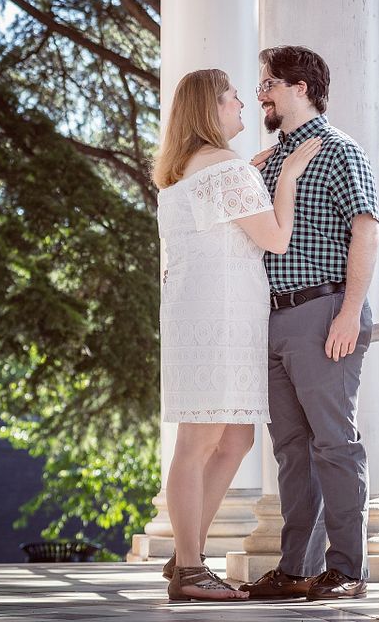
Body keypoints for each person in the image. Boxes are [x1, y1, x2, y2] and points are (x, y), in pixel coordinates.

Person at [153, 68, 320, 603]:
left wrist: (248, 175)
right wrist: (288, 174)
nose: (242, 106)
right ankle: (188, 567)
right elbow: (274, 239)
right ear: (209, 110)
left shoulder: (183, 173)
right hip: (220, 318)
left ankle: (188, 558)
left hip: (205, 315)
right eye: (231, 99)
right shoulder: (225, 169)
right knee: (201, 441)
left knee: (235, 438)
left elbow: (219, 225)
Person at [240, 45, 379, 602]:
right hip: (272, 319)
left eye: (269, 83)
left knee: (333, 445)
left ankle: (348, 570)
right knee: (291, 450)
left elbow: (366, 232)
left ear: (300, 87)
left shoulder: (341, 151)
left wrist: (349, 311)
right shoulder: (268, 161)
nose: (261, 95)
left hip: (324, 312)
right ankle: (297, 567)